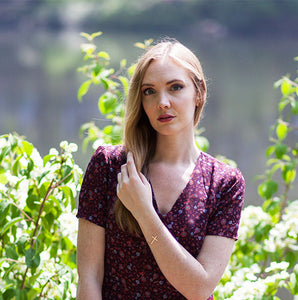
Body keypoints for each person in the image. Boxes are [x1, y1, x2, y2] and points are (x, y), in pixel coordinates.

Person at [76, 40, 245, 300]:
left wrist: (144, 213)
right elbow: (89, 277)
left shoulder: (223, 183)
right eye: (149, 91)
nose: (162, 102)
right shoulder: (110, 166)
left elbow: (199, 289)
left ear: (199, 92)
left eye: (175, 87)